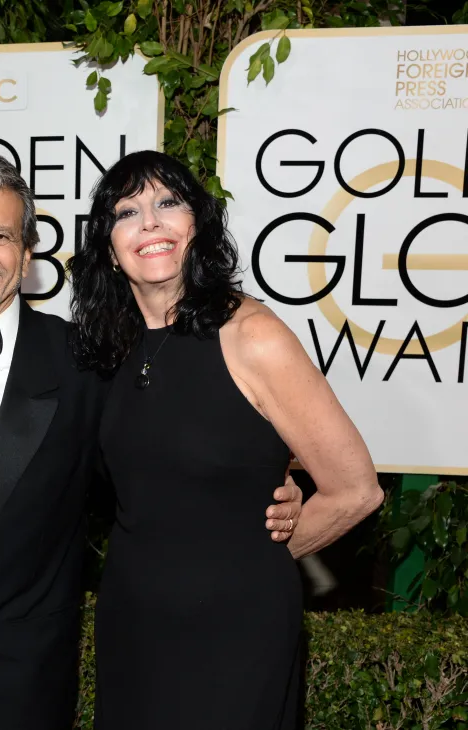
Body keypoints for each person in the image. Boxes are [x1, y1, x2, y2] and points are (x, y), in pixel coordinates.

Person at [0, 149, 304, 730]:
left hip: (18, 688)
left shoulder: (91, 363)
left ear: (27, 256)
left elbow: (180, 453)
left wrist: (276, 491)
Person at [67, 150, 384, 729]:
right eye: (128, 211)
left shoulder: (252, 335)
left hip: (236, 630)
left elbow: (356, 490)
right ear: (109, 247)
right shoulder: (112, 347)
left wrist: (256, 560)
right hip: (132, 620)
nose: (152, 223)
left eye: (169, 203)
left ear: (199, 225)